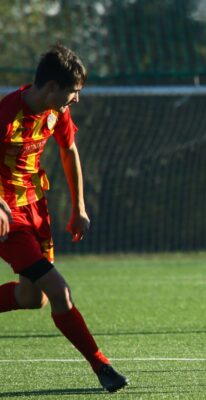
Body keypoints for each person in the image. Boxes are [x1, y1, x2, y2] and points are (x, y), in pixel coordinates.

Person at [0, 45, 129, 392]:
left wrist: (79, 208)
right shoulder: (7, 114)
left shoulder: (56, 113)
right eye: (73, 93)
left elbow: (69, 151)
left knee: (32, 298)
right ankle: (103, 367)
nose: (75, 101)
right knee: (60, 292)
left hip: (36, 209)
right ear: (52, 87)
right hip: (8, 220)